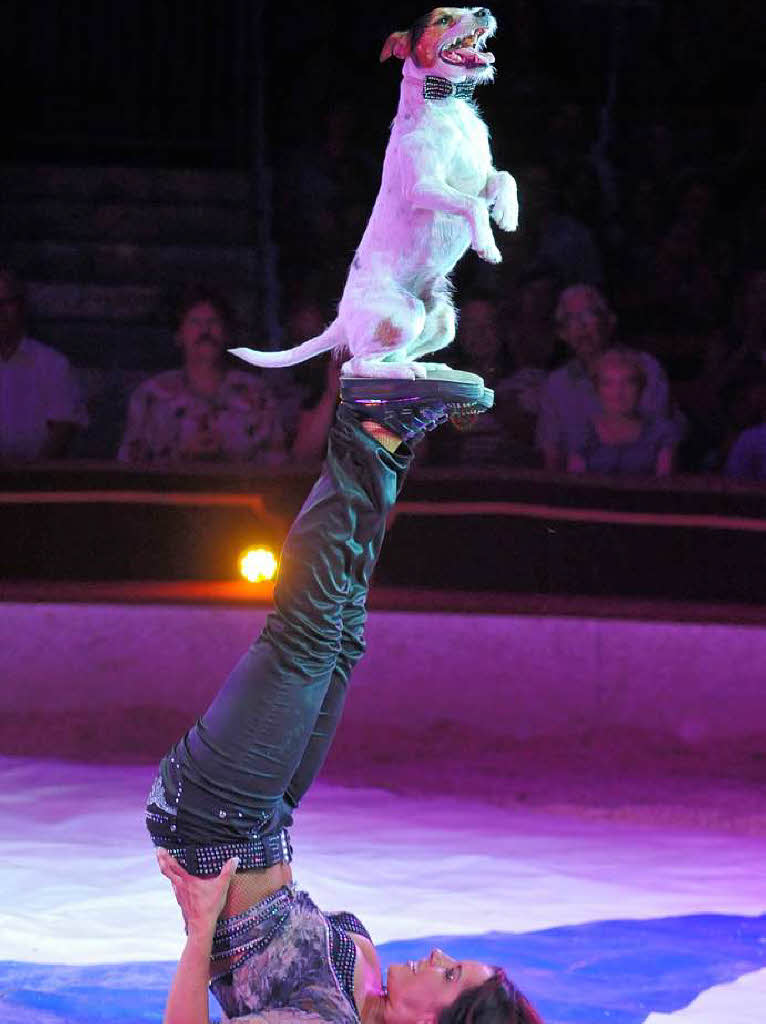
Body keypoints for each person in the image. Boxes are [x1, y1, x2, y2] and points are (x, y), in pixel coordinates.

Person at [147, 379, 543, 1024]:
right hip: (268, 822)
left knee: (303, 636)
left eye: (450, 974)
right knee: (343, 632)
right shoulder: (367, 975)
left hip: (210, 819)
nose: (439, 951)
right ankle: (392, 445)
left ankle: (367, 424)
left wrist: (199, 934)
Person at [118, 285, 286, 465]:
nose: (205, 331)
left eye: (213, 322)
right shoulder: (150, 395)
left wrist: (228, 456)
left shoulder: (256, 394)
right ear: (179, 335)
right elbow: (129, 464)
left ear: (227, 334)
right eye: (195, 322)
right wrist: (180, 456)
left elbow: (277, 461)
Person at [536, 284, 675, 471]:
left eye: (589, 315)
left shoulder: (646, 368)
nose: (581, 326)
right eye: (571, 319)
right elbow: (551, 459)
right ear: (562, 333)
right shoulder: (556, 385)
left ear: (609, 321)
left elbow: (662, 444)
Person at [0, 267, 87, 461]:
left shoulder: (52, 364)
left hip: (34, 483)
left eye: (6, 303)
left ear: (21, 306)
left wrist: (29, 477)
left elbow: (63, 429)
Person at [566, 348, 679, 476]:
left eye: (628, 383)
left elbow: (664, 487)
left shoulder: (662, 432)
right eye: (608, 384)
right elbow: (577, 485)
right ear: (597, 389)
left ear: (641, 387)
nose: (618, 393)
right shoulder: (582, 433)